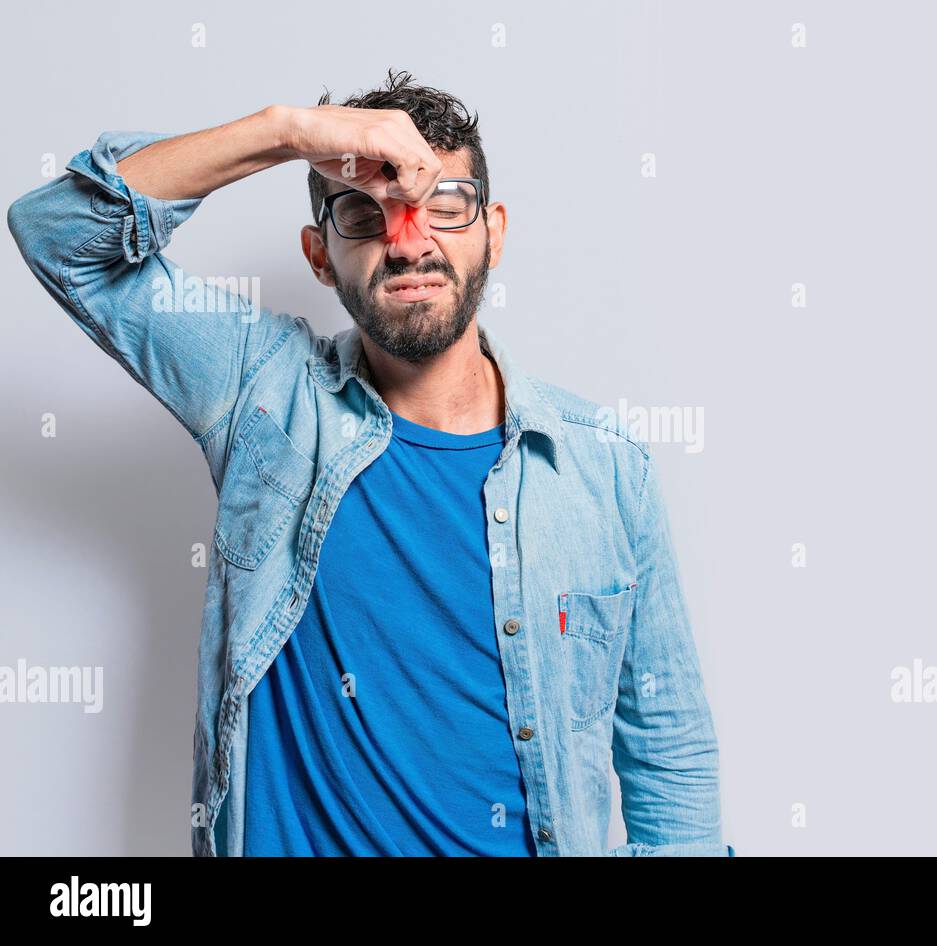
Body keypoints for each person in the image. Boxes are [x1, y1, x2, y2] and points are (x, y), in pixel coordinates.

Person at [7, 69, 732, 857]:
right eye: (365, 214)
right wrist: (288, 133)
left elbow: (670, 756)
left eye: (444, 204)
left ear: (494, 229)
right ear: (319, 255)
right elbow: (60, 232)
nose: (409, 240)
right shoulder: (264, 392)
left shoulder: (604, 467)